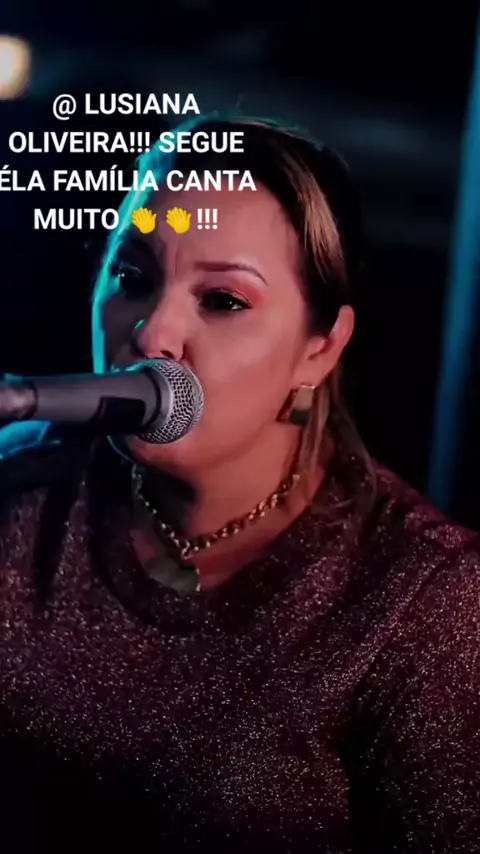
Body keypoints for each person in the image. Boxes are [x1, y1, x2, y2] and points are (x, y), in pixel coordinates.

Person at [0, 115, 479, 852]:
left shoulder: (424, 600)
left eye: (222, 300)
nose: (152, 334)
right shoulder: (21, 488)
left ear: (321, 348)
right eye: (133, 279)